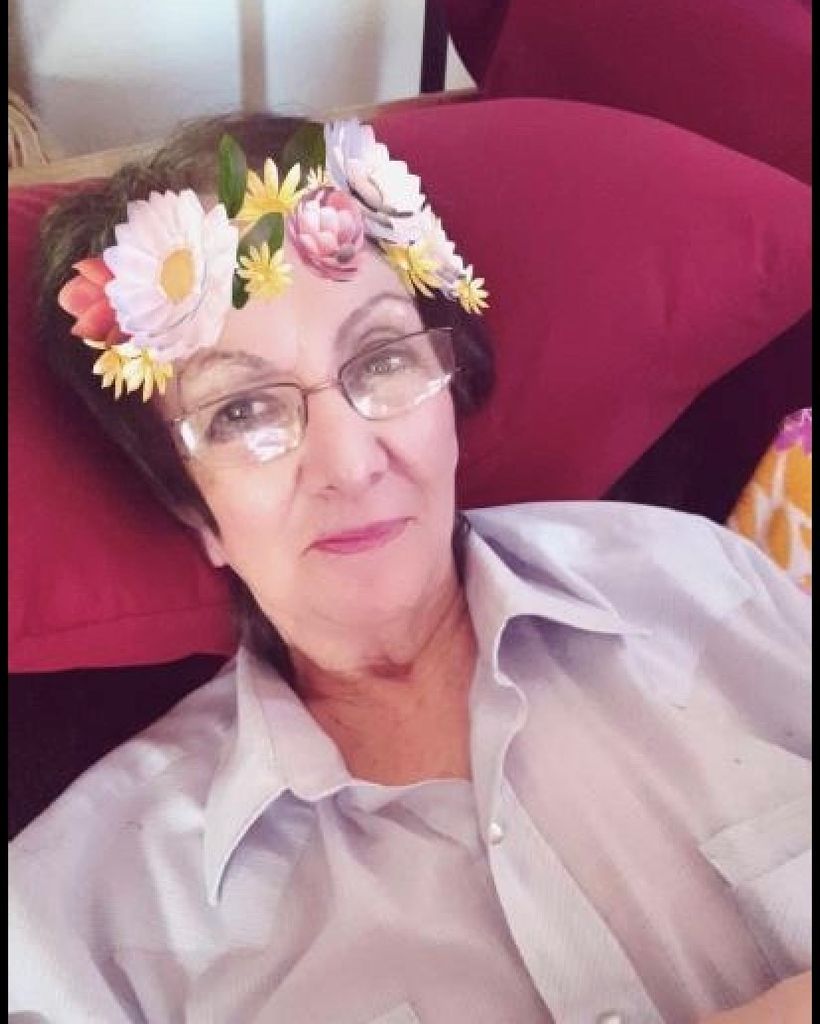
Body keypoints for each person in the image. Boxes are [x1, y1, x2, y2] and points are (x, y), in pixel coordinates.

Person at [9, 112, 811, 1023]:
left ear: (450, 395)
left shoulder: (694, 578)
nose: (352, 465)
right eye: (241, 412)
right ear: (194, 509)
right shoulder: (91, 918)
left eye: (383, 359)